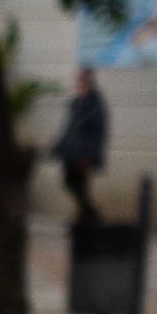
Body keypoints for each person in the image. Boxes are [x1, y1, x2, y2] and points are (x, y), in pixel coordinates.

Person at [53, 69, 113, 222]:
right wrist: (58, 146)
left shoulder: (95, 104)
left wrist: (90, 155)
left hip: (83, 154)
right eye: (78, 81)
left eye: (82, 81)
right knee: (69, 182)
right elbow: (68, 128)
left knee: (81, 184)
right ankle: (88, 212)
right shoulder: (75, 103)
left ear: (89, 82)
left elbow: (98, 133)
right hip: (71, 152)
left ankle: (87, 214)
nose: (79, 84)